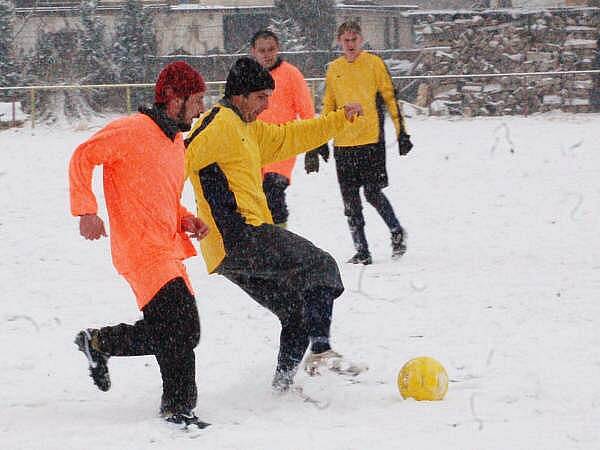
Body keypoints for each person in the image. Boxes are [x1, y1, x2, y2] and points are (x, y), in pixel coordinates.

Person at [184, 57, 366, 392]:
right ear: (239, 96)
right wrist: (173, 215)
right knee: (320, 265)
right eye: (261, 98)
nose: (267, 106)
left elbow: (290, 136)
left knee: (297, 313)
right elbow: (177, 161)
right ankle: (322, 349)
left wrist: (339, 120)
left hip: (233, 251)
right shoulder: (218, 124)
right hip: (239, 236)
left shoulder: (248, 127)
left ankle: (281, 389)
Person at [69, 61, 210, 428]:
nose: (200, 109)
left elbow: (160, 193)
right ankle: (178, 409)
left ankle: (100, 343)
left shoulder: (177, 143)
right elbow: (83, 156)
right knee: (178, 326)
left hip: (168, 248)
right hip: (140, 250)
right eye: (196, 100)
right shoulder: (131, 130)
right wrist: (86, 209)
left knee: (185, 331)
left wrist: (184, 218)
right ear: (174, 99)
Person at [305, 20, 414, 265]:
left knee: (373, 193)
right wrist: (321, 140)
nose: (350, 44)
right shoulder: (334, 68)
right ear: (339, 42)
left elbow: (390, 96)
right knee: (350, 201)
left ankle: (396, 230)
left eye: (354, 39)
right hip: (343, 144)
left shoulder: (374, 64)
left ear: (361, 40)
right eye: (346, 40)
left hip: (370, 141)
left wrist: (401, 132)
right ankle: (362, 249)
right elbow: (328, 106)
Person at [250, 29, 316, 228]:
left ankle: (281, 244)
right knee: (254, 200)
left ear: (277, 49)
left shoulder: (291, 74)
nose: (267, 54)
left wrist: (312, 147)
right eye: (262, 50)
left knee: (273, 194)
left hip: (282, 147)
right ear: (253, 51)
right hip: (253, 147)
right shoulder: (247, 76)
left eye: (271, 49)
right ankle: (263, 246)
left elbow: (307, 112)